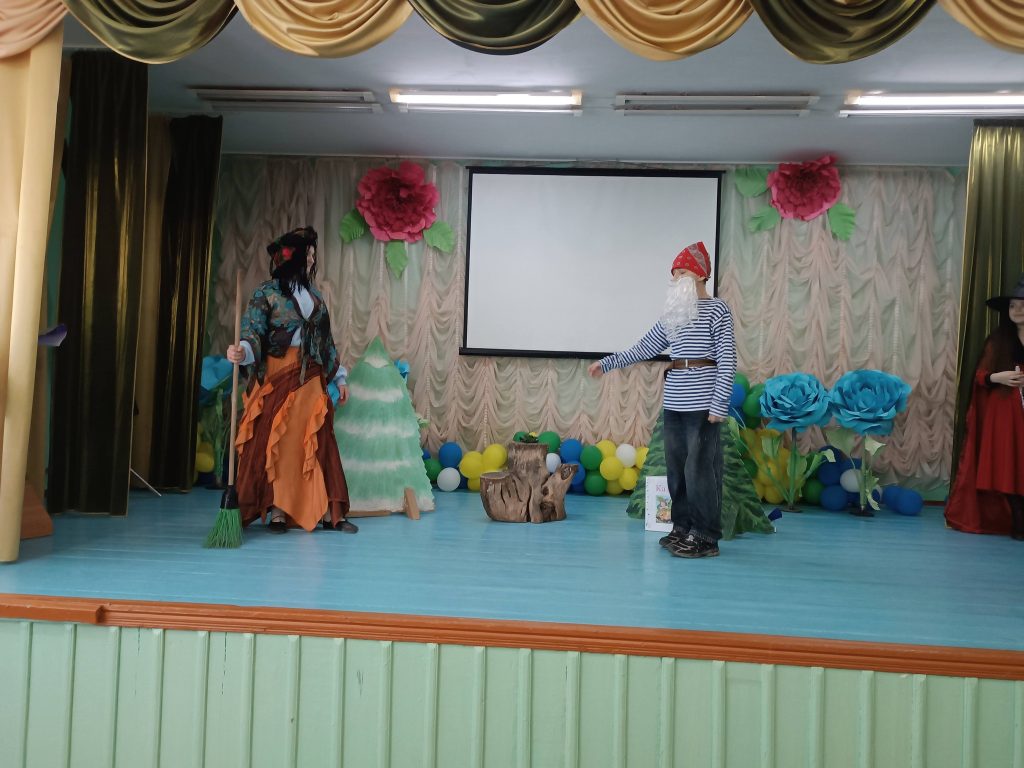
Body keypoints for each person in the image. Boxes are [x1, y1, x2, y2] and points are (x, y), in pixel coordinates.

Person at [588, 242, 737, 558]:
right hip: (675, 403)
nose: (675, 279)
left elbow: (727, 358)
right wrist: (607, 363)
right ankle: (682, 528)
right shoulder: (674, 314)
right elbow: (644, 347)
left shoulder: (718, 310)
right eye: (674, 274)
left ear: (699, 275)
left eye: (681, 272)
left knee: (699, 470)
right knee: (676, 469)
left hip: (702, 404)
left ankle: (705, 537)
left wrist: (718, 403)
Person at [226, 226, 356, 534]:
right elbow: (253, 331)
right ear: (292, 258)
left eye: (312, 255)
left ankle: (329, 512)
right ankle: (280, 512)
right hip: (279, 373)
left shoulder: (315, 297)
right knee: (282, 442)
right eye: (307, 254)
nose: (311, 260)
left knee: (318, 440)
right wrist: (242, 350)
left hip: (311, 376)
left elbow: (326, 341)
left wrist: (340, 378)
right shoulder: (266, 293)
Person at [945, 275, 1024, 539]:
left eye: (1022, 305)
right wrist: (998, 377)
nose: (1017, 310)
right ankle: (1018, 521)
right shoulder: (998, 341)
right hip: (1004, 415)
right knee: (1008, 465)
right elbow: (980, 376)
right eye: (1013, 305)